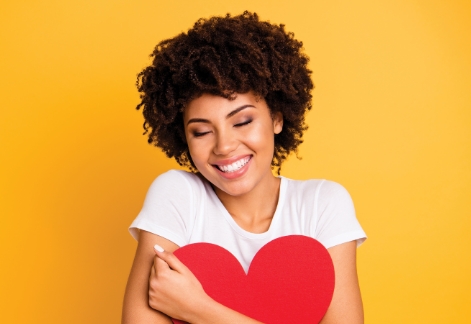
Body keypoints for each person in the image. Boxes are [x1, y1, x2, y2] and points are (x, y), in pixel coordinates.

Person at [122, 11, 366, 323]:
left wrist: (198, 309)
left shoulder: (323, 204)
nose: (224, 146)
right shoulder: (176, 195)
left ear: (276, 117)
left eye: (242, 121)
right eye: (201, 131)